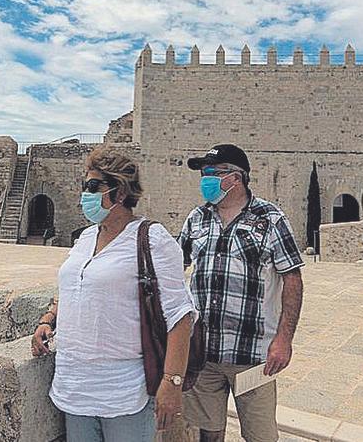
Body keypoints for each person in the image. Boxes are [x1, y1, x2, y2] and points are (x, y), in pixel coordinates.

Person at [31, 146, 197, 442]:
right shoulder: (85, 237)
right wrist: (48, 319)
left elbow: (180, 315)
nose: (86, 193)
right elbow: (72, 289)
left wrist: (172, 383)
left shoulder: (152, 239)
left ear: (120, 193)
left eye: (94, 186)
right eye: (85, 185)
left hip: (124, 391)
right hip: (74, 385)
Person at [178, 144, 305, 442]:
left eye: (211, 173)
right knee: (207, 433)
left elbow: (293, 279)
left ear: (235, 178)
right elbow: (173, 269)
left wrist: (284, 340)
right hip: (203, 353)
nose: (204, 180)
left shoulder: (270, 219)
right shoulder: (197, 218)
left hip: (252, 356)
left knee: (259, 435)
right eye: (203, 174)